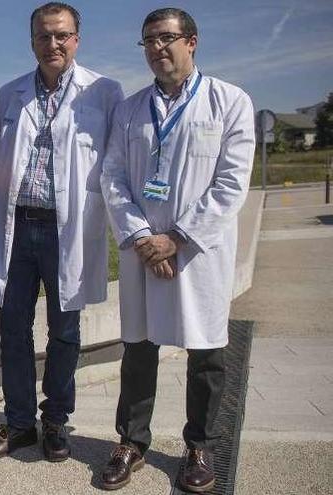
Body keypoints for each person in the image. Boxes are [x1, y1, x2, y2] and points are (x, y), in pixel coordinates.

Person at [99, 8, 255, 492]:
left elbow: (231, 182)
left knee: (207, 353)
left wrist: (177, 237)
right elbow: (113, 176)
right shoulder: (129, 108)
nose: (157, 48)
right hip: (142, 248)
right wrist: (144, 238)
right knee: (138, 349)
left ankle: (201, 445)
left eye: (166, 38)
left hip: (197, 251)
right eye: (148, 40)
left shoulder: (229, 102)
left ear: (192, 42)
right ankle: (132, 441)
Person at [0, 2, 123, 462]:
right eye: (44, 35)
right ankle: (20, 423)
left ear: (76, 39)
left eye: (62, 35)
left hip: (69, 229)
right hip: (18, 226)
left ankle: (56, 420)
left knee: (65, 330)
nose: (53, 43)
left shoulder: (104, 91)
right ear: (32, 42)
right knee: (12, 328)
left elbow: (116, 163)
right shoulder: (9, 94)